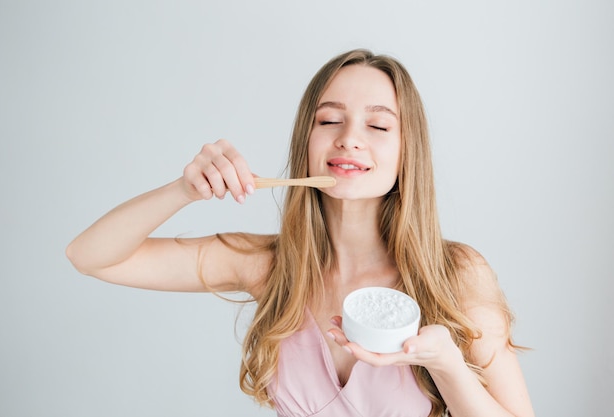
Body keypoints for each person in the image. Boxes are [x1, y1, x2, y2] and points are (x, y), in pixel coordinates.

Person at [66, 49, 534, 417]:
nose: (350, 137)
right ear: (304, 144)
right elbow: (90, 255)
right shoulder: (266, 265)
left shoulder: (457, 274)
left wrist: (448, 366)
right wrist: (184, 190)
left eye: (377, 124)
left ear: (407, 152)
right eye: (329, 120)